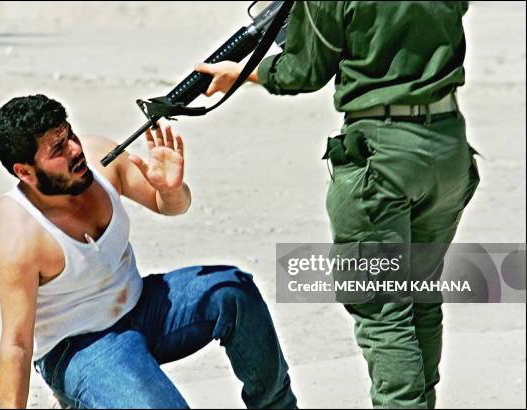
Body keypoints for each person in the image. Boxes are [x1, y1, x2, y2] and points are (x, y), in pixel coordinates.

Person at [195, 2, 479, 409]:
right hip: (446, 144)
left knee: (382, 308)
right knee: (420, 296)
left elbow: (304, 71)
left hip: (383, 151)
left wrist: (247, 73)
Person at [0, 94, 297, 409]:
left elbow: (172, 207)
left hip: (142, 307)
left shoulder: (100, 159)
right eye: (58, 148)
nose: (75, 149)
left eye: (69, 134)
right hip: (80, 348)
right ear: (25, 172)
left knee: (233, 289)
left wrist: (170, 189)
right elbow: (17, 343)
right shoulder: (20, 233)